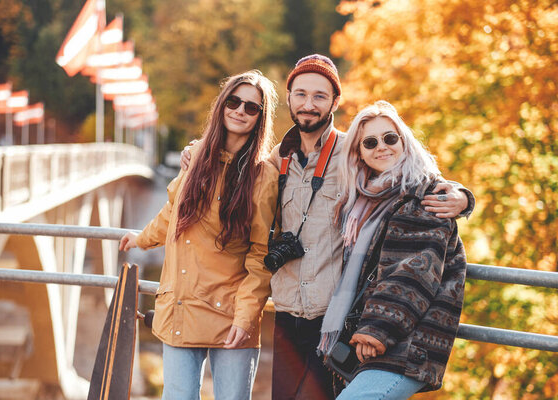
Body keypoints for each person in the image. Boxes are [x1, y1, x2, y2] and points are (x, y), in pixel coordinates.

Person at [180, 54, 474, 399]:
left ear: (336, 101)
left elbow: (410, 178)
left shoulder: (355, 153)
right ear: (288, 98)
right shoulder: (276, 159)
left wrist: (462, 197)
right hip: (287, 314)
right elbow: (234, 170)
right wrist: (197, 152)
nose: (308, 104)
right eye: (301, 94)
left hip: (332, 319)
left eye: (320, 96)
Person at [119, 70, 279, 400]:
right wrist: (141, 239)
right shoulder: (196, 158)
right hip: (180, 306)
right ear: (222, 105)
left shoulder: (263, 177)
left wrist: (246, 317)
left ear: (260, 118)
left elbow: (261, 256)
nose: (240, 110)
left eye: (252, 107)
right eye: (234, 101)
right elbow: (174, 213)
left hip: (231, 315)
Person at [319, 100, 467, 399]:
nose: (381, 147)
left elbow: (413, 273)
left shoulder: (424, 198)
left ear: (404, 141)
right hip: (374, 340)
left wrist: (377, 330)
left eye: (390, 138)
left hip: (404, 345)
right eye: (370, 142)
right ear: (359, 154)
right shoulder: (362, 202)